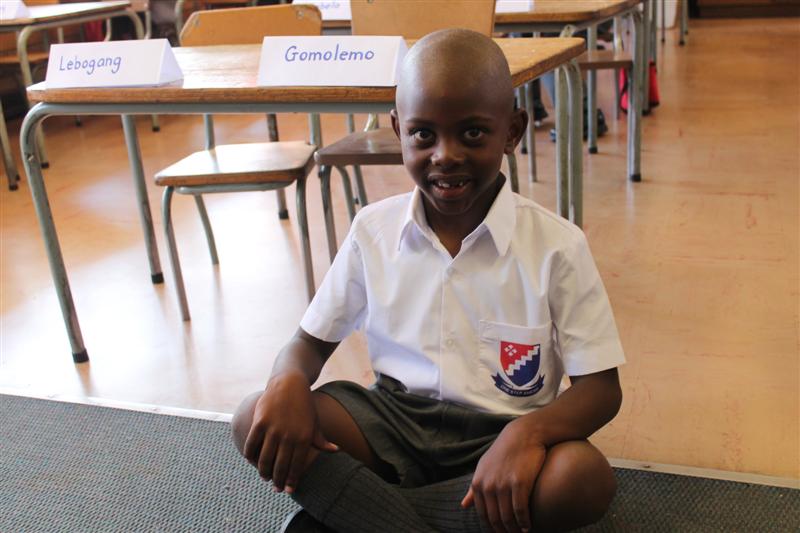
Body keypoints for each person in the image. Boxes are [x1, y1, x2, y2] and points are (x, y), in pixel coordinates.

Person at [232, 28, 625, 533]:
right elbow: (307, 343)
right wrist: (286, 381)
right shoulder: (373, 229)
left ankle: (364, 513)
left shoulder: (557, 246)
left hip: (501, 434)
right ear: (398, 130)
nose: (445, 155)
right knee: (254, 416)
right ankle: (428, 519)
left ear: (512, 131)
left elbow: (601, 390)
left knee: (581, 478)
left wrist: (526, 436)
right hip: (391, 423)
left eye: (473, 133)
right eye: (423, 134)